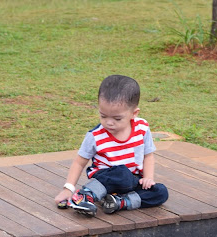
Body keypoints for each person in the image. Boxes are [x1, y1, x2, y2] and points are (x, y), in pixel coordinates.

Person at [54, 74, 169, 216]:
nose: (109, 122)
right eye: (103, 116)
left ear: (134, 113)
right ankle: (85, 195)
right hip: (106, 179)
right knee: (122, 173)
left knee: (160, 192)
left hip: (132, 181)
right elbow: (79, 162)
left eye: (117, 118)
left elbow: (148, 156)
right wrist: (68, 189)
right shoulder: (95, 136)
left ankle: (119, 202)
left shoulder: (142, 128)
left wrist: (148, 178)